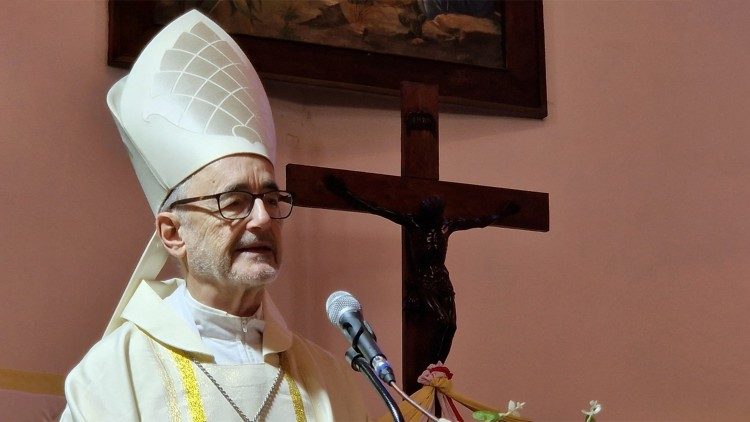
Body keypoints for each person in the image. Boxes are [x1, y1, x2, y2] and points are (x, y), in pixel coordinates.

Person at [62, 10, 367, 421]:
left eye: (271, 199)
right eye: (235, 201)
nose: (262, 218)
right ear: (173, 233)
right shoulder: (114, 378)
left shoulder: (331, 380)